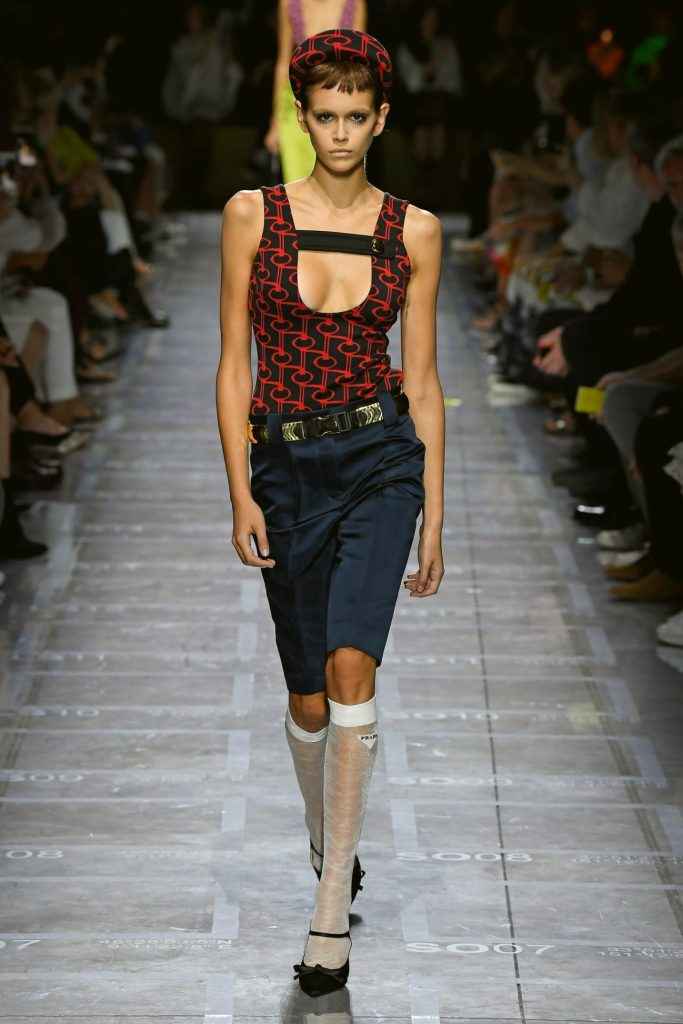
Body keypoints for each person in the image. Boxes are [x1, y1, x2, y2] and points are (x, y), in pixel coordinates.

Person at [216, 29, 445, 995]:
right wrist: (239, 488)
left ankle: (327, 914)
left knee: (354, 665)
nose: (341, 132)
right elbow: (233, 364)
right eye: (325, 116)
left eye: (357, 115)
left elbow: (422, 381)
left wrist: (434, 516)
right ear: (302, 119)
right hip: (286, 469)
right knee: (308, 696)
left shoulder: (414, 230)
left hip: (380, 459)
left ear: (381, 119)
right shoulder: (252, 215)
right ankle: (330, 842)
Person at [264, 0, 367, 183]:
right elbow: (283, 61)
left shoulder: (354, 3)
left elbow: (360, 61)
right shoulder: (288, 3)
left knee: (338, 185)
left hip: (340, 105)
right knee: (298, 185)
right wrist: (276, 122)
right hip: (296, 108)